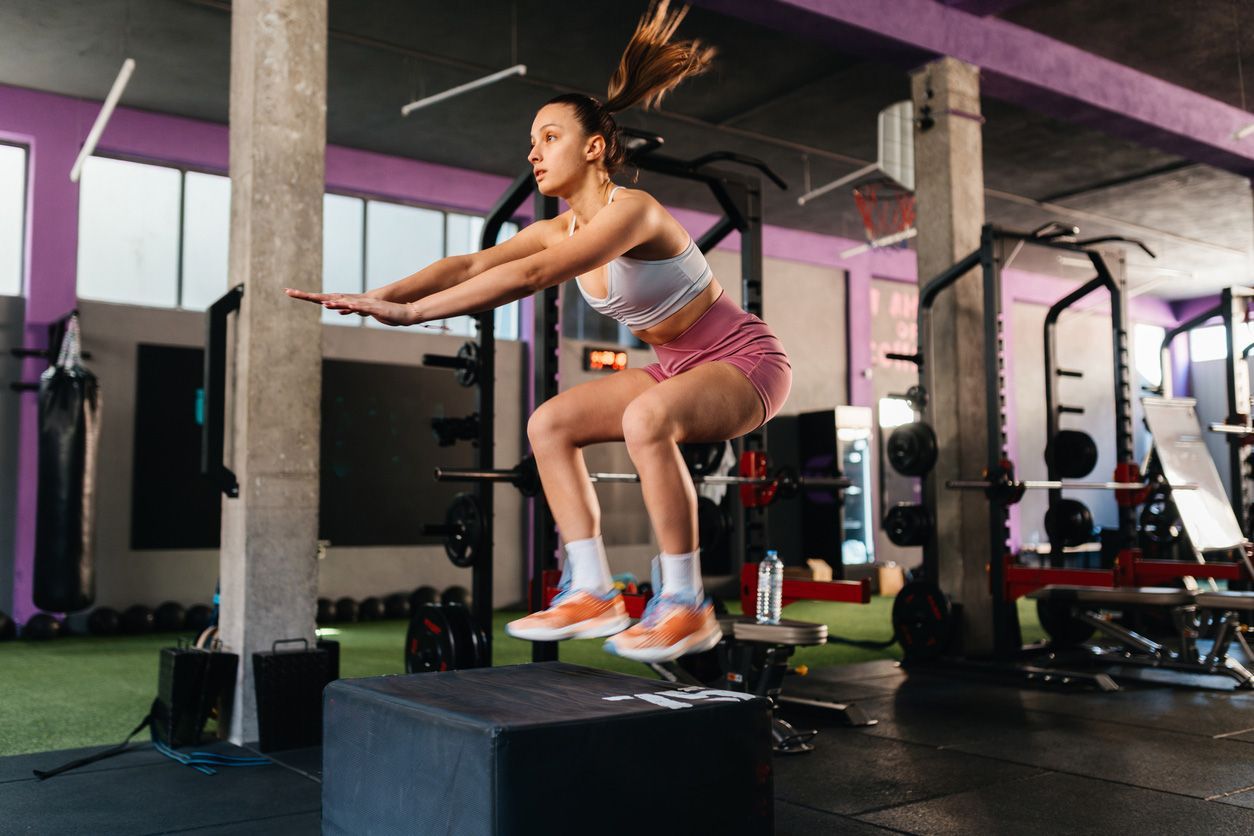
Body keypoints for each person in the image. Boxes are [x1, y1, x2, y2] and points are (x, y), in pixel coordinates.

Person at [286, 0, 791, 662]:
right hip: (675, 366)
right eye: (532, 141)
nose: (534, 151)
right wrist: (378, 297)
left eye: (549, 136)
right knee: (548, 424)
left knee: (645, 420)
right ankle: (591, 588)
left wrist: (410, 316)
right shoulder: (560, 226)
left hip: (745, 361)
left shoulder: (632, 211)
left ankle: (686, 603)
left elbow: (531, 278)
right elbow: (470, 263)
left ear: (594, 146)